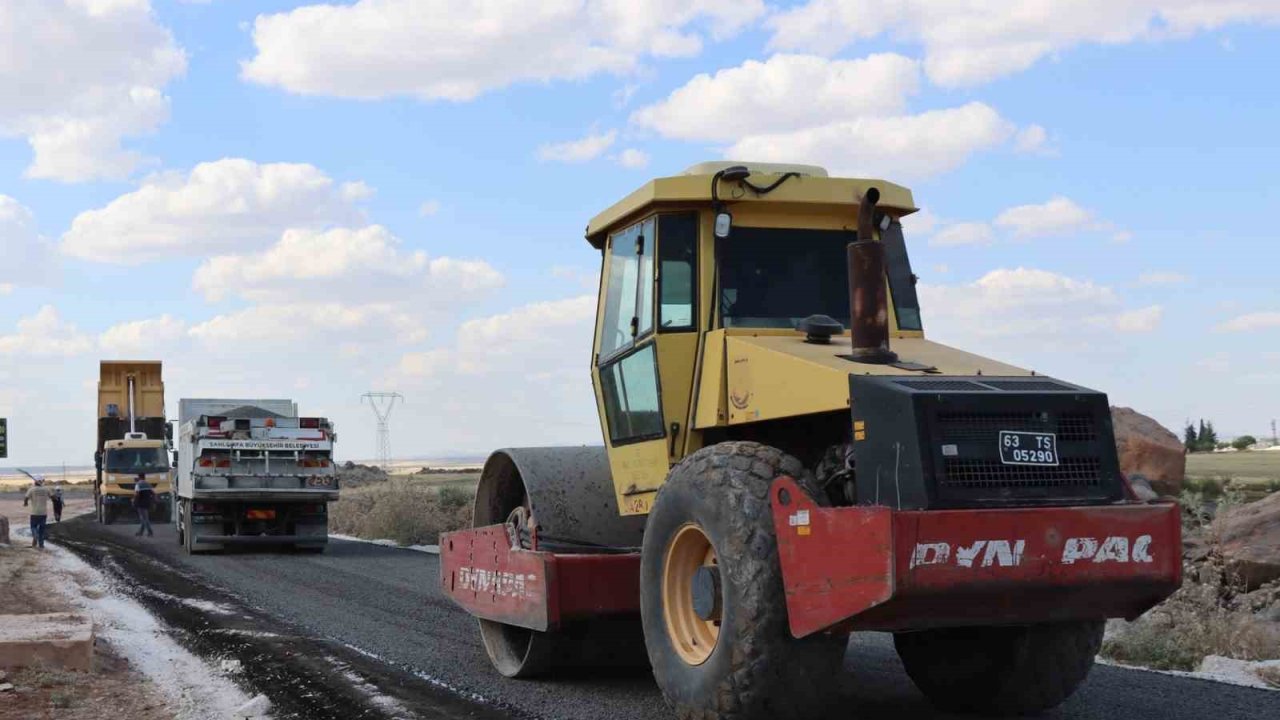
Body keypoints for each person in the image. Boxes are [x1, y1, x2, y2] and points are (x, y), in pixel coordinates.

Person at [22, 475, 50, 549]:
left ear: (35, 481)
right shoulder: (46, 489)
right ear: (41, 481)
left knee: (33, 527)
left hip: (35, 513)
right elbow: (53, 497)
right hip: (44, 513)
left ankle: (35, 535)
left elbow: (26, 497)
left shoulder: (32, 489)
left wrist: (25, 503)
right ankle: (41, 545)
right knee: (41, 530)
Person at [133, 473, 155, 538]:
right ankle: (140, 532)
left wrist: (133, 501)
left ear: (139, 477)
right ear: (144, 477)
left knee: (145, 519)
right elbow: (153, 493)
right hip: (147, 503)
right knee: (144, 518)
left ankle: (150, 532)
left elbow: (137, 494)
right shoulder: (148, 484)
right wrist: (153, 501)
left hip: (140, 503)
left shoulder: (138, 484)